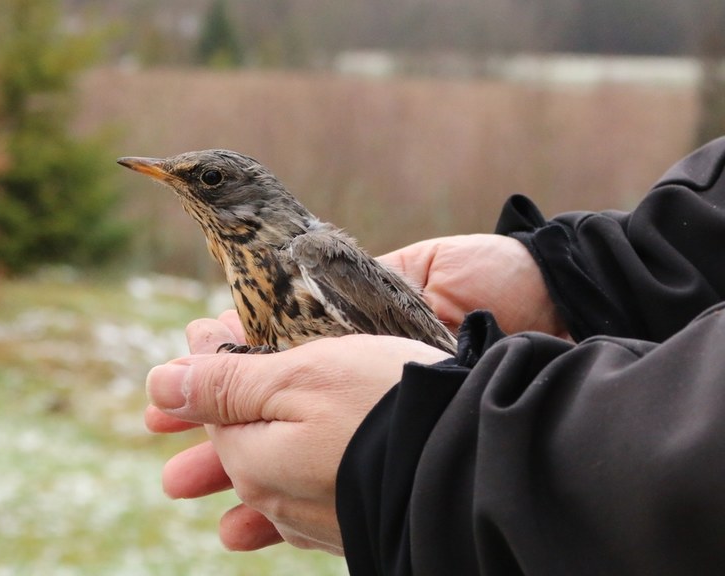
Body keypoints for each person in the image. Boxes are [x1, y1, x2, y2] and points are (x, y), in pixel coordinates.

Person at [145, 136, 725, 575]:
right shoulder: (247, 264)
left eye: (209, 179)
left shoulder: (313, 255)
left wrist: (433, 458)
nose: (187, 183)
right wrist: (574, 274)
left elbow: (433, 372)